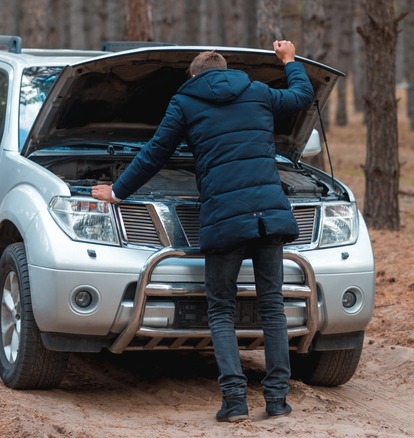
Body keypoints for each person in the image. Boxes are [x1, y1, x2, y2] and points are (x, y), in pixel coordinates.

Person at [91, 40, 314, 422]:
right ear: (226, 70)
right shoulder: (257, 91)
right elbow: (301, 96)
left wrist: (118, 191)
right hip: (267, 215)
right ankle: (277, 399)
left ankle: (234, 401)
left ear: (193, 76)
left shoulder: (185, 102)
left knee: (222, 310)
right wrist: (289, 61)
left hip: (225, 217)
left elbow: (155, 153)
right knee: (272, 305)